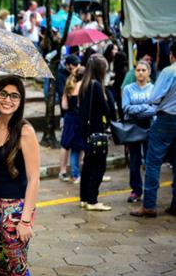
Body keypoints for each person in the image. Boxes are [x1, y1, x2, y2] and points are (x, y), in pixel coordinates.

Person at [0, 76, 40, 275]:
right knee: (0, 267)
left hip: (16, 208)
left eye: (14, 96)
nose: (8, 100)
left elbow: (34, 179)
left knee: (17, 267)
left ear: (20, 101)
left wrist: (25, 221)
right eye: (3, 94)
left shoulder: (25, 131)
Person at [130, 43, 176, 218]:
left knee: (153, 162)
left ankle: (149, 205)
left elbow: (154, 97)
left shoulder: (168, 72)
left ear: (172, 55)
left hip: (165, 119)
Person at [79, 54, 115, 211]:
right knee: (99, 167)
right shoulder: (96, 86)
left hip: (86, 132)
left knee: (88, 165)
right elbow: (108, 110)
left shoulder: (85, 85)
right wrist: (108, 94)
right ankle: (93, 200)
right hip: (97, 133)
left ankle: (84, 199)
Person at [122, 61, 156, 204]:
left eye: (143, 70)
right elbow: (126, 108)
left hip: (150, 127)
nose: (140, 73)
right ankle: (136, 190)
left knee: (150, 161)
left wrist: (137, 109)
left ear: (149, 72)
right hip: (133, 128)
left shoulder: (153, 89)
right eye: (138, 70)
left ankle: (149, 190)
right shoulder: (128, 89)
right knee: (134, 161)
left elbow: (155, 108)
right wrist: (144, 107)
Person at [59, 66, 85, 184]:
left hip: (69, 118)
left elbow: (64, 106)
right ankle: (75, 173)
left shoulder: (69, 86)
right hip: (79, 119)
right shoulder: (84, 87)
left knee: (65, 145)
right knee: (77, 148)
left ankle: (63, 171)